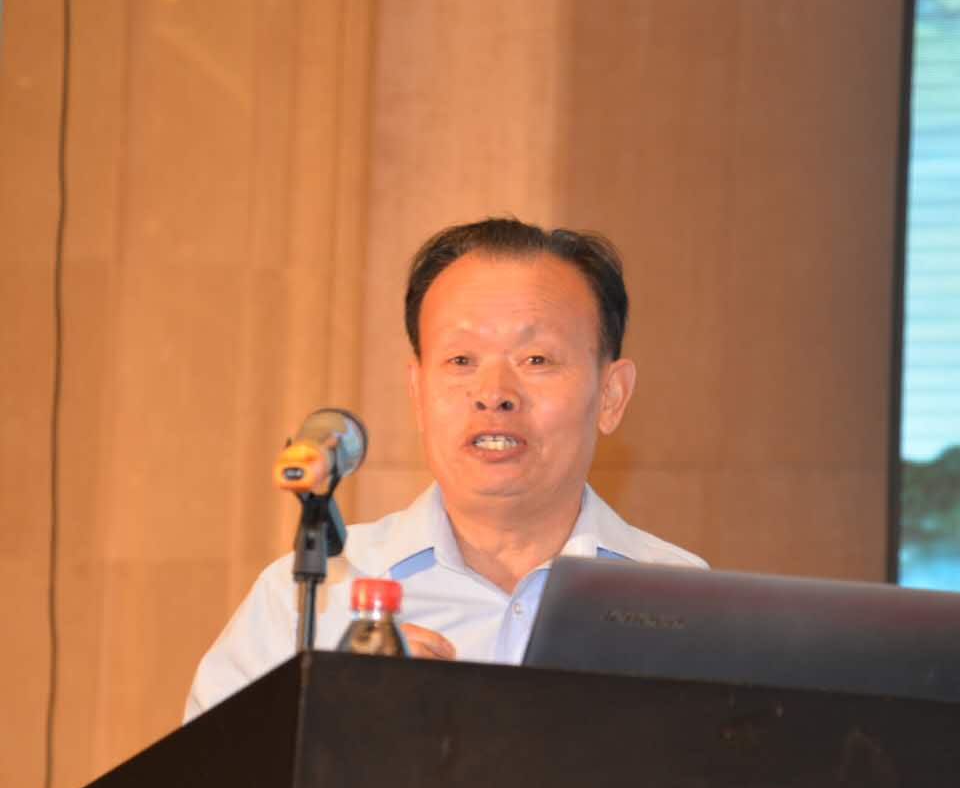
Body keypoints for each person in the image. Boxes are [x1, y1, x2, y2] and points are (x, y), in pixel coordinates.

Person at [184, 217, 705, 719]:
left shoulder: (686, 607)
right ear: (417, 393)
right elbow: (205, 779)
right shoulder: (305, 600)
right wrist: (339, 719)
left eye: (536, 360)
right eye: (461, 361)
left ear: (611, 395)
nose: (494, 393)